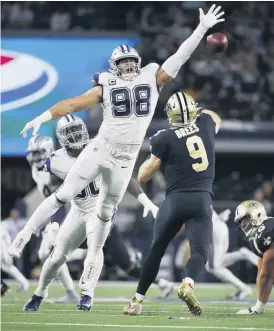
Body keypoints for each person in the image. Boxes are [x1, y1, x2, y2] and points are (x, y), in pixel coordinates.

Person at [9, 4, 225, 306]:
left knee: (104, 217)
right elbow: (74, 104)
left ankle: (86, 292)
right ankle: (24, 237)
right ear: (114, 66)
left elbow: (179, 56)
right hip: (102, 148)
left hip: (124, 159)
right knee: (66, 193)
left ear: (135, 62)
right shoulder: (132, 79)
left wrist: (201, 30)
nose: (126, 67)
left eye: (129, 61)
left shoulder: (143, 77)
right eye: (121, 62)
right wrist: (43, 117)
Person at [24, 116, 171, 312]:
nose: (75, 135)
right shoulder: (54, 163)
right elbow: (57, 197)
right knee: (58, 254)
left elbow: (125, 178)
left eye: (77, 130)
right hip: (79, 212)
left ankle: (86, 295)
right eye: (70, 132)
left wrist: (145, 200)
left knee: (116, 259)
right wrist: (51, 222)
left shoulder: (100, 147)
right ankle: (42, 294)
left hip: (101, 211)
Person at [123, 92, 221, 316]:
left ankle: (137, 302)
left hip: (175, 200)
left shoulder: (163, 137)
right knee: (199, 251)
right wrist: (199, 112)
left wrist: (157, 156)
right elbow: (215, 118)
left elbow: (143, 176)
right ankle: (188, 282)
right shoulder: (205, 124)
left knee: (156, 250)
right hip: (202, 200)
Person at [26, 135, 79, 303]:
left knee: (50, 252)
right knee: (45, 254)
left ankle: (69, 289)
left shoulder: (55, 168)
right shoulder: (36, 171)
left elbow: (62, 202)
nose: (35, 158)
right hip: (57, 212)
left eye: (38, 153)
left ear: (48, 151)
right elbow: (49, 201)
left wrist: (54, 224)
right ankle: (70, 292)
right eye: (32, 154)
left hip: (72, 210)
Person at [175, 209, 258, 300]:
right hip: (218, 226)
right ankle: (242, 254)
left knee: (213, 267)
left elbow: (183, 224)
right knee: (217, 263)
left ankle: (244, 288)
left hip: (213, 229)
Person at [234, 200, 274, 315]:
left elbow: (267, 275)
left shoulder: (267, 231)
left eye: (245, 219)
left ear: (257, 214)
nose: (242, 224)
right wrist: (258, 307)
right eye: (240, 221)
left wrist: (258, 308)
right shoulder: (257, 236)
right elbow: (261, 272)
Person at [1, 208, 29, 292]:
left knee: (8, 266)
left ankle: (24, 283)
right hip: (7, 246)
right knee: (7, 267)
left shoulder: (21, 221)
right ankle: (24, 283)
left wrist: (9, 249)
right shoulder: (5, 223)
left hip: (9, 246)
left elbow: (5, 237)